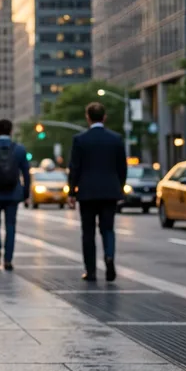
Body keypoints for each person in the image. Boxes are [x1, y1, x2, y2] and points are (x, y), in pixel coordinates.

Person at [68, 102, 127, 282]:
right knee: (108, 229)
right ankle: (109, 257)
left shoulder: (80, 140)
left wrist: (71, 191)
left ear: (88, 118)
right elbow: (122, 168)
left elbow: (74, 167)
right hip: (109, 191)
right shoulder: (116, 139)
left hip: (86, 192)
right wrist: (120, 187)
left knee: (88, 232)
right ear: (104, 117)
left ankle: (91, 271)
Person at [0, 119, 31, 271]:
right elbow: (26, 174)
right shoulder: (20, 149)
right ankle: (8, 260)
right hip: (13, 194)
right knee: (11, 226)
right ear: (11, 130)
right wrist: (26, 193)